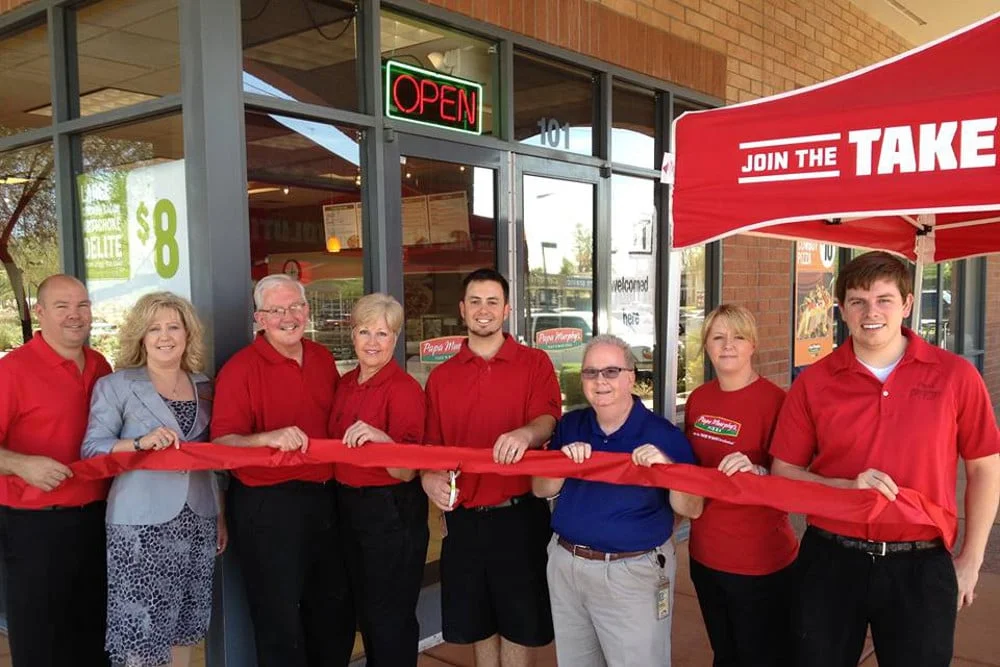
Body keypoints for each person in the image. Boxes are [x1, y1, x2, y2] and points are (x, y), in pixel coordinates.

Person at [770, 251, 1000, 667]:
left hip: (922, 561)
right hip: (830, 560)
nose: (870, 312)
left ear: (907, 304)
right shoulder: (814, 383)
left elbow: (985, 467)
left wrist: (972, 558)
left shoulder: (955, 376)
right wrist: (843, 488)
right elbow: (783, 473)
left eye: (884, 299)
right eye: (857, 301)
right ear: (841, 310)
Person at [210, 274, 354, 667]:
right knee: (278, 620)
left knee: (332, 611)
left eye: (295, 307)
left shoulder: (323, 358)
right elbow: (221, 447)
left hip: (326, 499)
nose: (288, 317)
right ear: (260, 318)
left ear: (307, 311)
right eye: (277, 310)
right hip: (268, 507)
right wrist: (266, 438)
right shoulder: (241, 369)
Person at [421, 268, 561, 667]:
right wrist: (428, 477)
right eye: (476, 302)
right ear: (463, 310)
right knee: (476, 622)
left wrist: (525, 434)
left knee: (520, 623)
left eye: (493, 302)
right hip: (464, 520)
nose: (484, 311)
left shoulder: (534, 363)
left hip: (520, 516)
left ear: (507, 309)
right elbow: (431, 449)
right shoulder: (442, 377)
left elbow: (548, 419)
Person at [532, 334, 701, 667]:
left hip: (632, 572)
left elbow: (693, 507)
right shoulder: (572, 424)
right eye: (591, 372)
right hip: (568, 565)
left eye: (611, 371)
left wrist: (667, 470)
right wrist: (562, 464)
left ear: (631, 377)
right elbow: (541, 489)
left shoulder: (663, 434)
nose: (600, 381)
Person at [82, 292, 225, 667]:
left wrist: (220, 516)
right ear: (140, 337)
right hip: (140, 526)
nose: (165, 336)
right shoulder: (116, 385)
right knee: (140, 631)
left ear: (187, 333)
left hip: (198, 518)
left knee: (184, 625)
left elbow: (208, 458)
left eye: (173, 327)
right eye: (154, 328)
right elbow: (92, 449)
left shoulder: (204, 385)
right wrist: (139, 443)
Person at [0, 274, 111, 666]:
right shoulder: (12, 370)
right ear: (39, 312)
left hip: (97, 520)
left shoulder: (100, 365)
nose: (75, 315)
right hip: (34, 526)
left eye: (82, 305)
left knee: (93, 637)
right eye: (62, 307)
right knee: (40, 642)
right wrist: (21, 464)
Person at [684, 305, 797, 667]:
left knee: (762, 656)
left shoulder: (777, 402)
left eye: (738, 337)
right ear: (706, 347)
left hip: (760, 560)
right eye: (718, 337)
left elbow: (794, 477)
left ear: (753, 345)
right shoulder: (699, 399)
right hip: (705, 553)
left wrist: (760, 472)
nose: (728, 345)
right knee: (725, 653)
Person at [329, 293, 428, 666]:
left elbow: (406, 470)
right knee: (362, 612)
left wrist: (382, 440)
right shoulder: (344, 384)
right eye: (364, 331)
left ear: (396, 338)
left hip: (390, 511)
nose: (372, 342)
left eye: (382, 334)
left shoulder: (404, 390)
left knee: (389, 618)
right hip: (346, 506)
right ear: (352, 335)